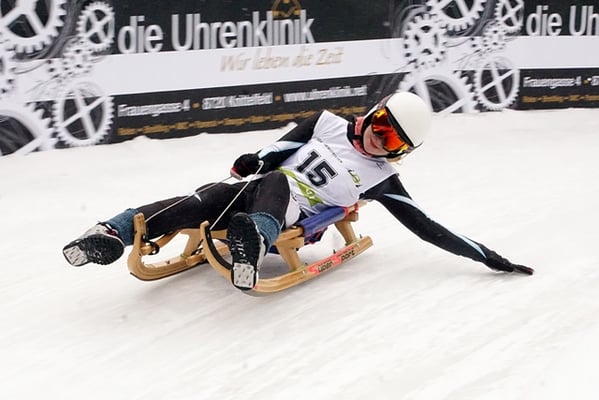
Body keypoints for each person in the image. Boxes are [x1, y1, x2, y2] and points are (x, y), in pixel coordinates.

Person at [63, 91, 533, 290]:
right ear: (374, 112)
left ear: (401, 152)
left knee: (278, 181)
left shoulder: (382, 180)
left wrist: (490, 258)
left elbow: (427, 227)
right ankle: (111, 233)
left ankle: (253, 242)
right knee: (202, 198)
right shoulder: (326, 123)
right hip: (249, 195)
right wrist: (252, 160)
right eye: (382, 125)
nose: (379, 139)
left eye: (393, 141)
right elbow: (276, 150)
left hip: (290, 216)